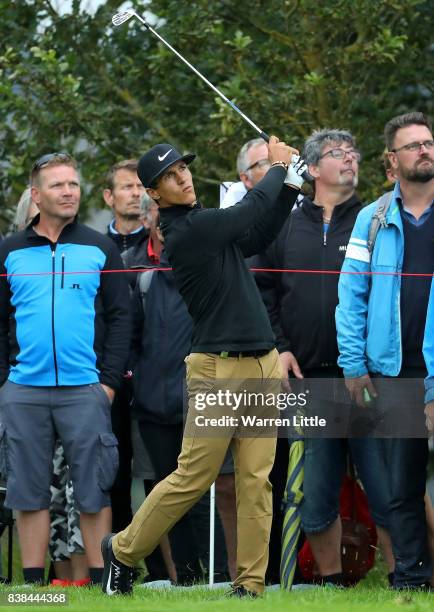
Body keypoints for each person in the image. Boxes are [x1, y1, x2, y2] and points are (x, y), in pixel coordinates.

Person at [101, 136, 307, 597]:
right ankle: (122, 551)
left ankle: (250, 586)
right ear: (154, 194)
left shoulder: (204, 223)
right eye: (171, 177)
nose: (184, 178)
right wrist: (277, 168)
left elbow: (258, 233)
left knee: (257, 482)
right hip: (217, 369)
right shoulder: (185, 231)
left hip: (263, 363)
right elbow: (244, 215)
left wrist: (291, 185)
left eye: (184, 169)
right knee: (193, 477)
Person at [254, 128, 393, 585]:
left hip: (369, 380)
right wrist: (281, 347)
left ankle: (404, 576)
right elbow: (263, 290)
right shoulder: (285, 224)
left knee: (386, 486)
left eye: (355, 152)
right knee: (315, 492)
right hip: (309, 378)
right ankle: (330, 582)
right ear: (312, 169)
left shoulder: (377, 220)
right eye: (338, 153)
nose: (351, 159)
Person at [0, 152, 130, 585]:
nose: (69, 192)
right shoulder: (9, 251)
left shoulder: (99, 246)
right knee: (28, 491)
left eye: (73, 184)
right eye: (58, 185)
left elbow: (120, 319)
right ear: (36, 195)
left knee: (94, 489)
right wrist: (5, 382)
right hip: (24, 390)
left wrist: (108, 383)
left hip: (85, 389)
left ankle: (101, 583)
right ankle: (35, 588)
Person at [336, 112, 434, 589]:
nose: (425, 150)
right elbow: (350, 296)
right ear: (391, 161)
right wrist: (353, 365)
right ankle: (412, 578)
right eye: (413, 145)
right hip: (393, 375)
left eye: (429, 142)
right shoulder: (371, 218)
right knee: (401, 489)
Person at [104, 159, 147, 252]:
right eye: (128, 187)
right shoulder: (97, 248)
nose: (136, 193)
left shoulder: (159, 246)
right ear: (109, 197)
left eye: (140, 186)